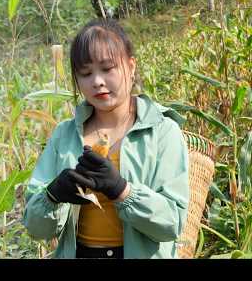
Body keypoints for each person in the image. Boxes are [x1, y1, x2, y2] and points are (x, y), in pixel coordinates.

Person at [23, 19, 189, 259]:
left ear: (131, 67)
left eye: (108, 68)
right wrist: (53, 195)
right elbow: (35, 229)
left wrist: (122, 191)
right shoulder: (65, 135)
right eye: (86, 73)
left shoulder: (163, 132)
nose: (97, 81)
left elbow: (172, 224)